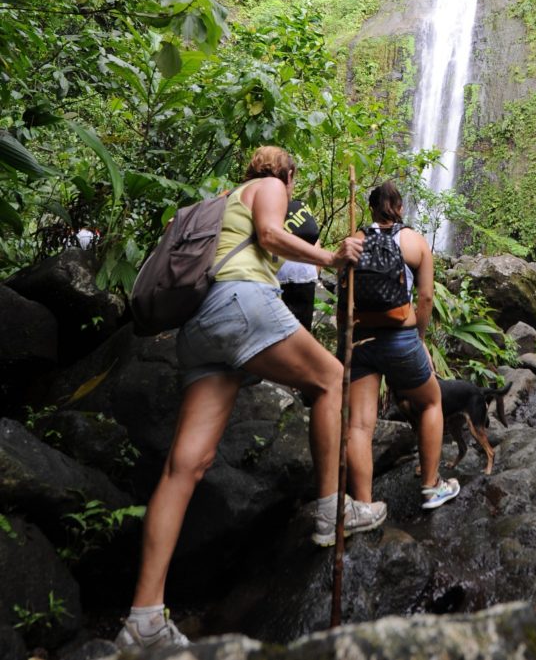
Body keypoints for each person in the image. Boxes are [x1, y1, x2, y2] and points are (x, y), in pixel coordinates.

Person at [115, 147, 386, 650]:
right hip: (241, 303)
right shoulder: (271, 188)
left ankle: (143, 617)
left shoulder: (221, 203)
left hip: (199, 329)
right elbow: (269, 235)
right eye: (292, 177)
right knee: (329, 376)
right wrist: (330, 257)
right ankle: (332, 509)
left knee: (184, 468)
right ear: (285, 172)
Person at [341, 181, 460, 513]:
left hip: (362, 339)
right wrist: (419, 339)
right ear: (401, 208)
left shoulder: (355, 241)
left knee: (360, 425)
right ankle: (431, 486)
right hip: (401, 338)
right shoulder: (415, 242)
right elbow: (425, 297)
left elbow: (343, 299)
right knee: (431, 401)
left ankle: (364, 506)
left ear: (370, 208)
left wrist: (345, 344)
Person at [278, 198, 322, 331]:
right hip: (306, 277)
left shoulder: (267, 211)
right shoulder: (299, 209)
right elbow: (316, 243)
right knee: (301, 330)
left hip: (281, 279)